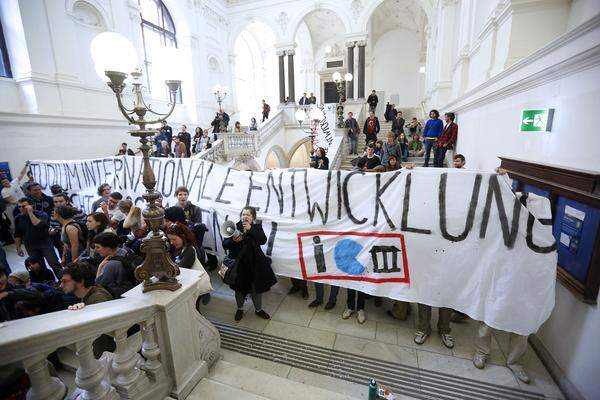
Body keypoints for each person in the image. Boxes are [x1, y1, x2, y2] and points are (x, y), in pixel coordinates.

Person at [222, 206, 277, 321]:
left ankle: (258, 310)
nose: (245, 217)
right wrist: (233, 240)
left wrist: (251, 230)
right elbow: (225, 244)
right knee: (239, 289)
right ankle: (240, 309)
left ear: (253, 218)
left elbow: (262, 240)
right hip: (239, 265)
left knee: (256, 288)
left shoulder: (257, 227)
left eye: (248, 215)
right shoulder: (234, 227)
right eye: (243, 214)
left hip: (255, 265)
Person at [14, 197, 61, 278]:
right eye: (19, 206)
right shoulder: (18, 218)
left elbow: (37, 225)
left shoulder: (42, 215)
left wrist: (30, 213)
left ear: (31, 206)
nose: (21, 208)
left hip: (45, 243)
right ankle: (46, 283)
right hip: (30, 245)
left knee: (54, 263)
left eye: (24, 206)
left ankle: (62, 280)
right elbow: (17, 234)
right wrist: (18, 248)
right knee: (38, 266)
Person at [92, 232, 136, 298]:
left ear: (108, 248)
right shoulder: (128, 251)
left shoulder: (112, 264)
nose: (95, 250)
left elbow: (98, 286)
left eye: (98, 247)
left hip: (121, 297)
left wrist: (100, 267)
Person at [1, 163, 28, 230]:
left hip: (27, 203)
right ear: (2, 184)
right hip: (18, 207)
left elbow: (22, 174)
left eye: (6, 181)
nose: (6, 182)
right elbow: (10, 201)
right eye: (3, 182)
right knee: (22, 222)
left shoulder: (14, 182)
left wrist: (26, 166)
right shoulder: (3, 191)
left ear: (8, 180)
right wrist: (21, 204)